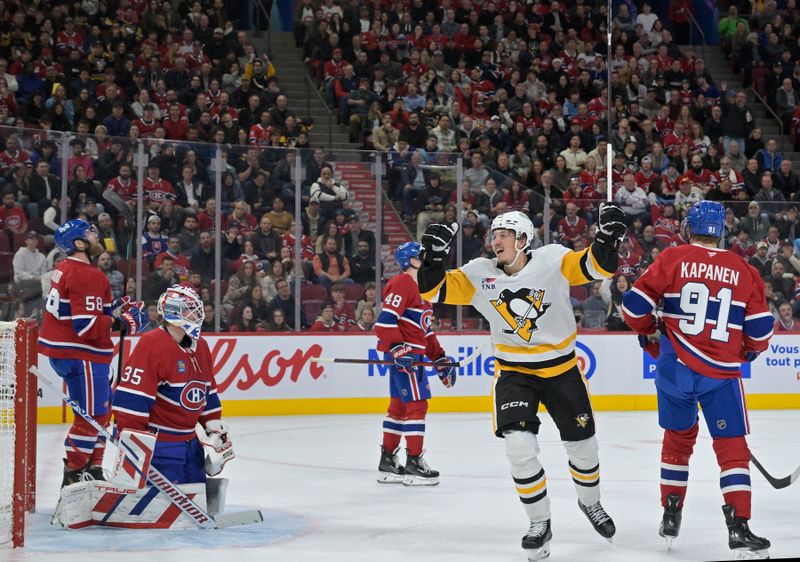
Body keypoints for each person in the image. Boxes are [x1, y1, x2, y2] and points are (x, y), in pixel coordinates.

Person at [417, 207, 625, 559]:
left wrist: (607, 237)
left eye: (504, 234)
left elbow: (598, 267)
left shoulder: (553, 260)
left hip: (562, 370)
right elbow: (433, 290)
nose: (495, 239)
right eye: (493, 234)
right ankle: (538, 524)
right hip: (514, 373)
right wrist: (433, 256)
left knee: (583, 448)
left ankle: (591, 503)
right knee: (519, 450)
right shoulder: (479, 273)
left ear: (524, 239)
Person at [622, 201, 773, 558]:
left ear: (689, 229)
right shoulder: (744, 269)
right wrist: (748, 352)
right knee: (731, 448)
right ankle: (739, 528)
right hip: (720, 375)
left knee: (677, 440)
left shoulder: (673, 258)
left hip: (674, 370)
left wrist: (650, 332)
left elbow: (633, 307)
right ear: (720, 231)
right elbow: (761, 329)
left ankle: (670, 513)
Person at [39, 219, 147, 486]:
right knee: (93, 417)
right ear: (79, 244)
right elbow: (86, 325)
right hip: (82, 355)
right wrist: (121, 322)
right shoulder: (87, 275)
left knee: (99, 413)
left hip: (72, 354)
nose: (97, 237)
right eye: (91, 234)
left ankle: (94, 468)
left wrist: (112, 309)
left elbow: (80, 311)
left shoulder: (65, 268)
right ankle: (75, 475)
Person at [112, 285, 234, 484]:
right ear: (174, 312)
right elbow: (132, 401)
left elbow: (206, 391)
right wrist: (133, 444)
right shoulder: (151, 344)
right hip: (161, 447)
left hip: (191, 447)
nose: (197, 314)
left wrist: (213, 425)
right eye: (191, 309)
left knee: (196, 506)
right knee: (164, 511)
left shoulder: (200, 346)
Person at [375, 242, 455, 486]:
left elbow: (425, 333)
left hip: (412, 356)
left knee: (399, 407)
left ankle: (387, 461)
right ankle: (413, 463)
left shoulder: (422, 291)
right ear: (412, 260)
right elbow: (385, 320)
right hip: (407, 358)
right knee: (417, 406)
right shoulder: (403, 283)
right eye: (423, 257)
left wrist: (439, 358)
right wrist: (398, 347)